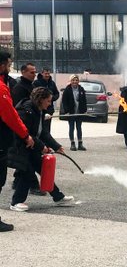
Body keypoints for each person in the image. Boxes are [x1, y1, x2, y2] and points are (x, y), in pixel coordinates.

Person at [8, 87, 74, 212]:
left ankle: (58, 197)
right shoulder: (26, 110)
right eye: (48, 101)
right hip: (19, 148)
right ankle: (16, 202)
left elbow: (42, 132)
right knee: (27, 174)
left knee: (44, 170)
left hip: (31, 148)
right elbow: (26, 133)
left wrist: (56, 146)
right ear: (41, 99)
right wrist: (42, 147)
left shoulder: (39, 110)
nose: (50, 103)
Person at [0, 51, 34, 231]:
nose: (8, 67)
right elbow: (10, 115)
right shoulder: (1, 87)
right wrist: (25, 134)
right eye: (7, 64)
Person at [10, 62, 44, 195]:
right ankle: (33, 185)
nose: (34, 74)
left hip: (30, 127)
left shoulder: (32, 85)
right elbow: (20, 109)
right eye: (31, 72)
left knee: (26, 158)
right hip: (23, 128)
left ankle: (17, 181)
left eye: (35, 71)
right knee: (29, 159)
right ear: (23, 72)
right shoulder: (19, 88)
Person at [61, 74, 87, 151]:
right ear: (71, 81)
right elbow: (64, 101)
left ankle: (80, 144)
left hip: (79, 112)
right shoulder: (67, 89)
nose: (75, 81)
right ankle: (72, 144)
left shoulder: (81, 89)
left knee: (79, 128)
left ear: (78, 81)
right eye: (73, 80)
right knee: (71, 128)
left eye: (76, 80)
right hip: (71, 112)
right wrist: (67, 111)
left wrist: (84, 110)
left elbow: (84, 100)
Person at [33, 67, 59, 133]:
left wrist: (51, 99)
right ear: (42, 73)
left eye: (48, 73)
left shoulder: (52, 83)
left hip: (49, 109)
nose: (47, 75)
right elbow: (34, 95)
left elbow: (57, 93)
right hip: (40, 108)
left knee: (48, 127)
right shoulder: (36, 83)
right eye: (45, 73)